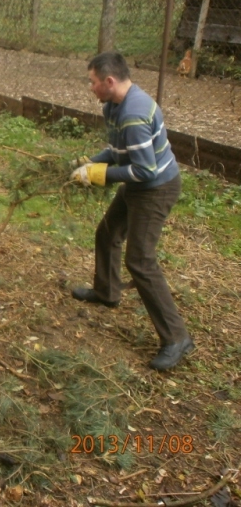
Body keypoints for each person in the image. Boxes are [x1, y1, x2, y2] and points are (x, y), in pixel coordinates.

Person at [69, 51, 193, 371]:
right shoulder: (114, 105)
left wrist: (99, 176)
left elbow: (145, 171)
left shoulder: (134, 114)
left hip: (155, 190)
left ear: (110, 81)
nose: (90, 87)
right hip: (138, 184)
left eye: (93, 82)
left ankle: (177, 337)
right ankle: (107, 292)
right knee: (107, 233)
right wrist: (92, 162)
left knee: (140, 259)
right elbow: (117, 149)